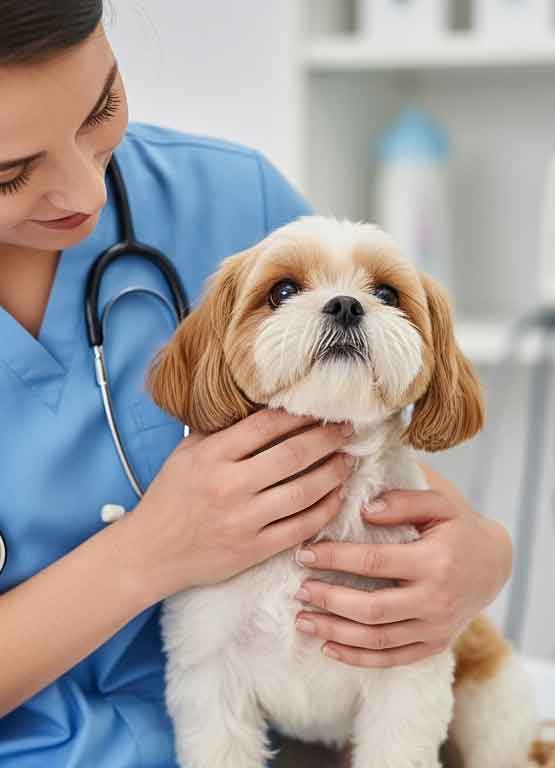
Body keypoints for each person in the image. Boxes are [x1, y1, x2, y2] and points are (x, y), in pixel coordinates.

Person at [0, 2, 513, 766]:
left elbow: (359, 431)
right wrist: (147, 554)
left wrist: (483, 556)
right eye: (9, 173)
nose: (86, 194)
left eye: (100, 107)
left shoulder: (235, 194)